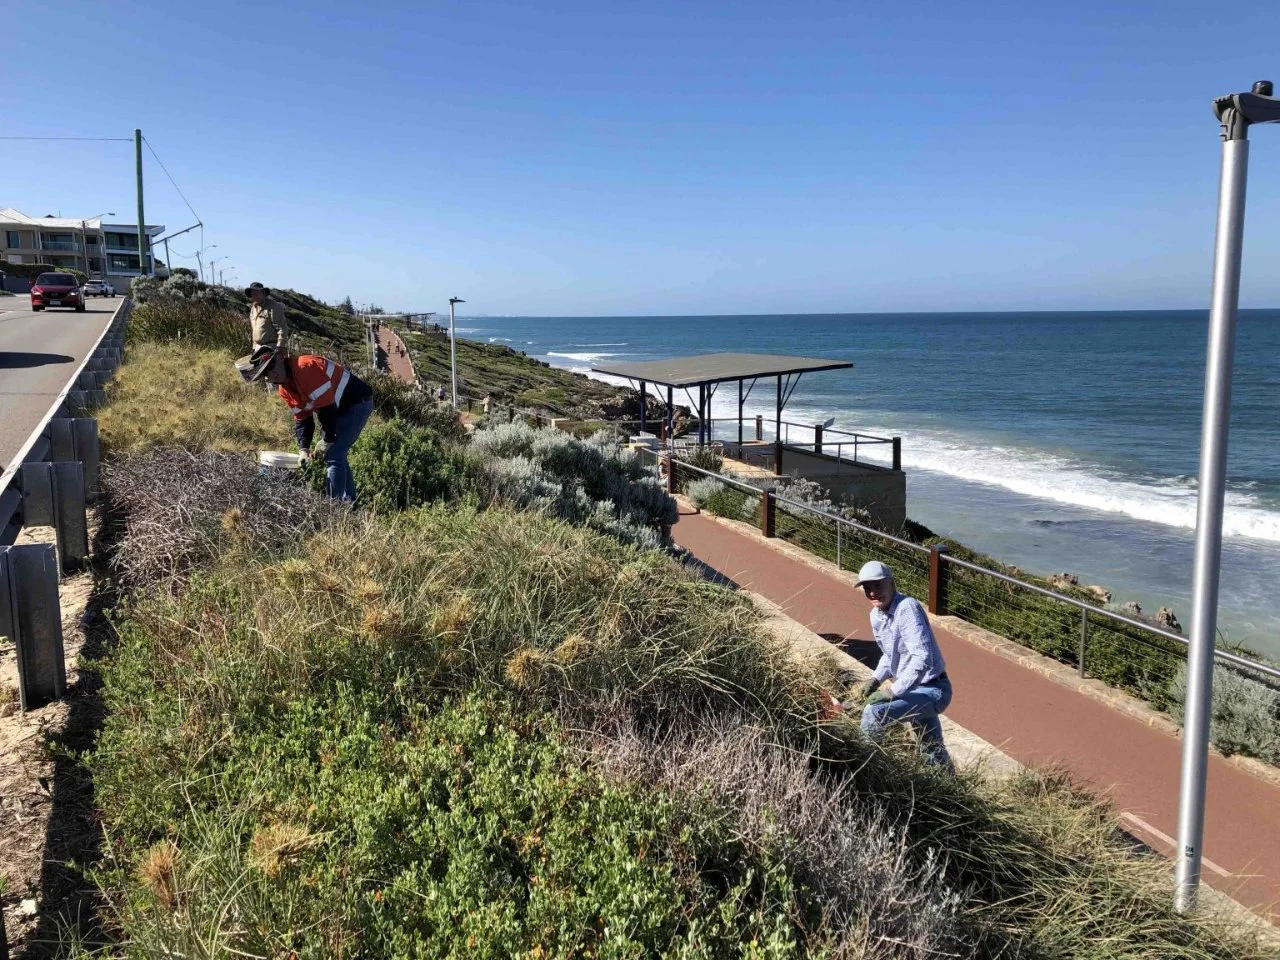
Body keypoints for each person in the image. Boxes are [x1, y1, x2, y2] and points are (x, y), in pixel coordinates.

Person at [846, 560, 955, 773]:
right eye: (867, 588)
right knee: (932, 751)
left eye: (878, 585)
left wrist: (892, 692)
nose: (873, 592)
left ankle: (866, 771)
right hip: (914, 690)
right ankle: (953, 791)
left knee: (873, 713)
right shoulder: (876, 615)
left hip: (933, 689)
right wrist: (874, 680)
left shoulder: (907, 608)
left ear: (892, 583)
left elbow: (922, 657)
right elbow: (890, 655)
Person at [235, 346, 373, 502]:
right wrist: (304, 449)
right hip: (338, 408)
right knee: (336, 452)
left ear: (280, 358)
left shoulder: (305, 367)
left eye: (271, 366)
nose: (271, 374)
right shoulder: (285, 390)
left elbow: (327, 410)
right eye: (265, 373)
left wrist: (327, 439)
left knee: (334, 453)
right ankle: (349, 500)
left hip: (356, 403)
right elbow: (303, 419)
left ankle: (334, 507)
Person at [246, 281, 289, 354]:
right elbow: (255, 329)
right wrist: (254, 347)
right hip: (257, 348)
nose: (254, 296)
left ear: (263, 293)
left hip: (271, 348)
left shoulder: (274, 307)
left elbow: (282, 328)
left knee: (274, 365)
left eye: (257, 294)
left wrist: (279, 346)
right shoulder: (253, 309)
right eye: (253, 294)